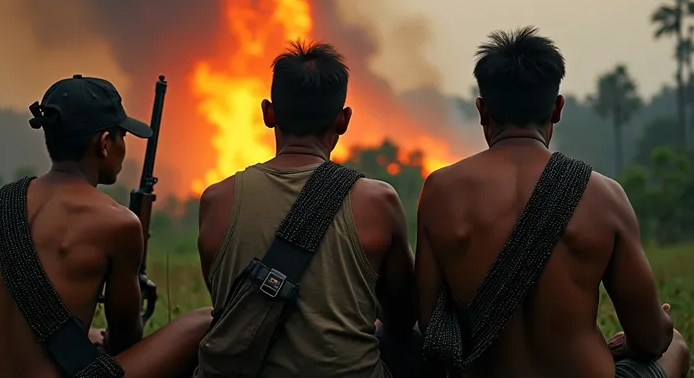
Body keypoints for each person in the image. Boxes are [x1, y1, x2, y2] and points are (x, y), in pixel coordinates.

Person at [416, 27, 690, 378]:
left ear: (482, 110)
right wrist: (658, 323)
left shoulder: (440, 190)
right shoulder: (603, 194)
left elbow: (429, 324)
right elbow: (652, 340)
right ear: (557, 108)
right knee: (677, 345)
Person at [0, 74, 212, 378]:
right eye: (122, 136)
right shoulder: (118, 223)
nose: (124, 146)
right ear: (105, 144)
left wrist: (78, 336)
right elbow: (124, 341)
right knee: (205, 321)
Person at [197, 41, 421, 377]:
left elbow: (226, 304)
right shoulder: (378, 202)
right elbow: (403, 318)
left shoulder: (216, 200)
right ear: (343, 120)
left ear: (268, 113)